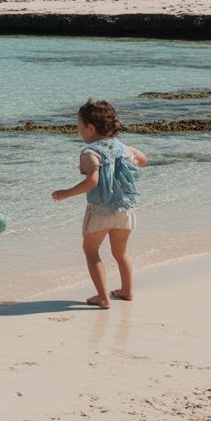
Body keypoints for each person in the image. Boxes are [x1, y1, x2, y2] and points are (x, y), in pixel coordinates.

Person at [51, 99, 148, 308]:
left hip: (101, 210)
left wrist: (66, 193)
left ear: (91, 128)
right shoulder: (122, 147)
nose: (78, 131)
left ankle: (103, 297)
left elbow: (93, 181)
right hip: (124, 208)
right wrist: (125, 154)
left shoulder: (89, 152)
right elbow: (142, 159)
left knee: (91, 251)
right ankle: (127, 291)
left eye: (79, 127)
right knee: (121, 253)